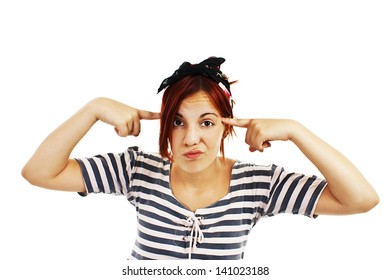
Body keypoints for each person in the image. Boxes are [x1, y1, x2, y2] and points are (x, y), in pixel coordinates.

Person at [22, 57, 379, 260]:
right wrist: (92, 108)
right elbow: (39, 173)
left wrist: (298, 131)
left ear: (226, 128)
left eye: (206, 122)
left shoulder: (259, 184)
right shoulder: (135, 170)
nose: (191, 138)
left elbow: (361, 199)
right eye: (177, 122)